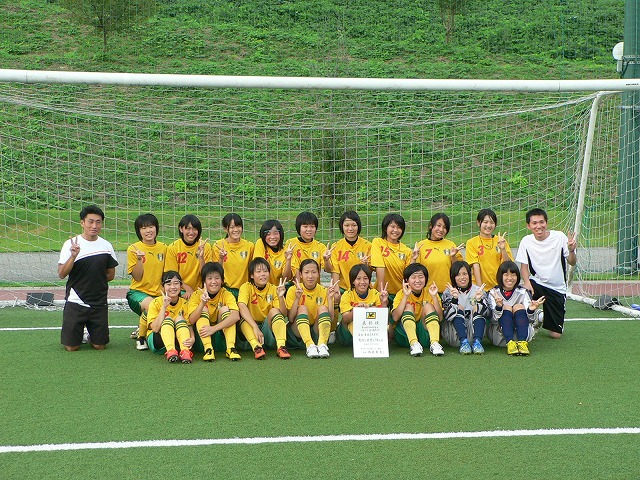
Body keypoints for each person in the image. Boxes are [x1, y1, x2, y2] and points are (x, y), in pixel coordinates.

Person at [58, 205, 119, 351]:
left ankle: (90, 335)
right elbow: (61, 274)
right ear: (82, 223)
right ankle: (79, 334)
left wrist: (94, 281)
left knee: (100, 346)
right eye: (90, 222)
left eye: (98, 222)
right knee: (72, 348)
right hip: (76, 300)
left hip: (99, 302)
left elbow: (111, 274)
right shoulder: (70, 245)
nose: (94, 226)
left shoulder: (106, 246)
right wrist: (73, 256)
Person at [516, 208, 577, 339]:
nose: (538, 226)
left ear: (546, 223)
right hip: (536, 283)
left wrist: (571, 250)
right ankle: (532, 315)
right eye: (534, 223)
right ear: (528, 226)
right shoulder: (526, 241)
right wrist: (527, 283)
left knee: (555, 335)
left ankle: (541, 316)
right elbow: (524, 267)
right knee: (520, 298)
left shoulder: (559, 237)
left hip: (556, 288)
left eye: (541, 222)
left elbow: (572, 262)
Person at [126, 213, 166, 351]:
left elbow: (167, 274)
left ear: (156, 228)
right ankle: (141, 337)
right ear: (139, 231)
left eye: (151, 227)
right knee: (154, 306)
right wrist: (139, 260)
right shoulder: (133, 249)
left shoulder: (164, 248)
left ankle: (143, 327)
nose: (148, 231)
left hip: (159, 293)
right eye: (143, 228)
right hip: (138, 293)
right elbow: (137, 277)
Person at [487, 261, 545, 355]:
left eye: (513, 275)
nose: (510, 278)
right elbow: (493, 320)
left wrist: (531, 310)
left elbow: (530, 320)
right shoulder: (493, 293)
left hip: (521, 334)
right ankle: (510, 343)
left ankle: (522, 343)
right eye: (506, 275)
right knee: (506, 307)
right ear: (500, 276)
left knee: (518, 306)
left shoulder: (523, 292)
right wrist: (499, 307)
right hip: (500, 337)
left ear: (517, 276)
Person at [187, 261, 242, 361]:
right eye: (209, 278)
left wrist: (213, 329)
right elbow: (191, 320)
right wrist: (202, 304)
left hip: (221, 335)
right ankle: (208, 349)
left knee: (225, 309)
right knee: (203, 309)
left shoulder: (226, 294)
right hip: (202, 339)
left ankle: (231, 348)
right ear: (204, 281)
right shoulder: (196, 295)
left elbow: (236, 316)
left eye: (217, 278)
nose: (213, 281)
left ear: (222, 280)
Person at [237, 258, 290, 359]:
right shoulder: (246, 287)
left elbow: (284, 314)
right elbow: (242, 306)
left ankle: (281, 347)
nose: (263, 274)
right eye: (258, 271)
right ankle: (257, 348)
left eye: (265, 271)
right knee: (242, 316)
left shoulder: (274, 288)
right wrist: (255, 327)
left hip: (267, 328)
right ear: (252, 275)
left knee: (275, 311)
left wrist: (280, 297)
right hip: (251, 329)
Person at [286, 259, 338, 358]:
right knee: (302, 308)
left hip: (316, 332)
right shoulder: (293, 290)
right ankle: (309, 345)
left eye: (313, 272)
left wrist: (330, 298)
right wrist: (297, 298)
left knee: (323, 308)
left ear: (318, 274)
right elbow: (291, 319)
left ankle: (322, 345)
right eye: (306, 272)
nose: (310, 276)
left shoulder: (324, 290)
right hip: (297, 334)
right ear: (300, 274)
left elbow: (330, 318)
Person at [390, 263, 444, 356]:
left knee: (428, 306)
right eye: (413, 277)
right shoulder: (401, 293)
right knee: (408, 306)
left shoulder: (430, 292)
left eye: (421, 277)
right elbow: (395, 318)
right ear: (407, 280)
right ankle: (414, 344)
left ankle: (434, 343)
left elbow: (440, 318)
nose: (417, 280)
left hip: (425, 335)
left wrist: (434, 297)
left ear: (426, 279)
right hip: (405, 337)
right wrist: (405, 296)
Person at [441, 261, 490, 354]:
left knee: (477, 307)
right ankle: (464, 342)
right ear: (453, 277)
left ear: (470, 275)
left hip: (474, 332)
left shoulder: (478, 290)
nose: (462, 277)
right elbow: (447, 316)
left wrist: (479, 301)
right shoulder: (448, 292)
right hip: (454, 335)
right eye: (458, 275)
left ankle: (477, 343)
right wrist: (454, 300)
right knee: (459, 307)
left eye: (465, 274)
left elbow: (488, 315)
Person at [146, 271, 194, 363]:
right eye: (168, 284)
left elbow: (189, 325)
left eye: (176, 283)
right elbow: (155, 329)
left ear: (181, 286)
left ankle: (185, 352)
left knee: (180, 318)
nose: (172, 287)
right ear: (163, 287)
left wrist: (192, 338)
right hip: (158, 341)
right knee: (168, 319)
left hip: (177, 339)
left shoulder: (184, 303)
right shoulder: (156, 302)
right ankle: (170, 351)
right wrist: (164, 307)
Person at [337, 264, 388, 346]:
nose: (362, 282)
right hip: (348, 334)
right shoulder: (347, 295)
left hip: (369, 328)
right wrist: (356, 311)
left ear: (369, 280)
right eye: (358, 278)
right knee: (353, 322)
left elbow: (383, 318)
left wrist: (383, 302)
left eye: (365, 278)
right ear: (353, 281)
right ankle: (362, 343)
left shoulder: (375, 293)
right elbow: (345, 319)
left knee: (387, 327)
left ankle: (370, 343)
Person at [413, 212, 463, 294]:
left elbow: (458, 271)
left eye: (444, 227)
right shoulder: (421, 245)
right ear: (431, 226)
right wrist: (413, 258)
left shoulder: (451, 245)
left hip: (448, 292)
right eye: (438, 225)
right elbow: (414, 271)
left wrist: (453, 256)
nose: (441, 230)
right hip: (428, 292)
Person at [164, 214, 212, 300]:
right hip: (180, 289)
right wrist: (187, 288)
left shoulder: (205, 246)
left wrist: (201, 257)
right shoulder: (173, 248)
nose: (191, 232)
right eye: (188, 228)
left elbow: (206, 275)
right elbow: (171, 275)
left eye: (194, 229)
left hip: (200, 290)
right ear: (181, 229)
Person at [465, 208, 513, 291]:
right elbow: (475, 266)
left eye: (492, 222)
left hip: (498, 287)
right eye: (485, 222)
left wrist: (503, 249)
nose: (489, 225)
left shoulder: (501, 241)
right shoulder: (471, 243)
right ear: (478, 223)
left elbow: (508, 265)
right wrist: (480, 289)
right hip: (478, 287)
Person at [370, 213, 412, 304]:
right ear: (385, 228)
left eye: (399, 227)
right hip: (382, 291)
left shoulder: (407, 251)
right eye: (392, 226)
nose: (395, 230)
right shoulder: (377, 242)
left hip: (400, 293)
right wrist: (381, 290)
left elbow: (409, 275)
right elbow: (379, 266)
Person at [211, 213, 255, 299]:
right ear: (225, 229)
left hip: (244, 290)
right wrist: (221, 258)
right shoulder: (218, 246)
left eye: (238, 226)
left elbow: (252, 269)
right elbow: (216, 272)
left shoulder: (249, 246)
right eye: (232, 227)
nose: (236, 230)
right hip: (225, 290)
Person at [330, 211, 372, 293]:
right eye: (347, 225)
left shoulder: (368, 245)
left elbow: (371, 270)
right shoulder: (336, 247)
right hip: (343, 289)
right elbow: (335, 271)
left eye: (354, 225)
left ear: (358, 226)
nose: (350, 229)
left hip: (363, 289)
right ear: (342, 226)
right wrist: (336, 287)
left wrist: (366, 265)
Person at [287, 211, 329, 282]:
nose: (309, 229)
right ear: (299, 228)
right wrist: (299, 286)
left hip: (315, 286)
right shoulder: (291, 244)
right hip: (296, 285)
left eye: (312, 226)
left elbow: (328, 269)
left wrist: (326, 260)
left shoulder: (320, 246)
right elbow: (295, 268)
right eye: (305, 226)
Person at [253, 219, 293, 284]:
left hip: (277, 288)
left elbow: (286, 278)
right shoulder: (260, 243)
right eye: (268, 234)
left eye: (275, 233)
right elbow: (259, 268)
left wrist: (288, 260)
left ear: (280, 234)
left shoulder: (286, 252)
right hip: (262, 286)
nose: (272, 237)